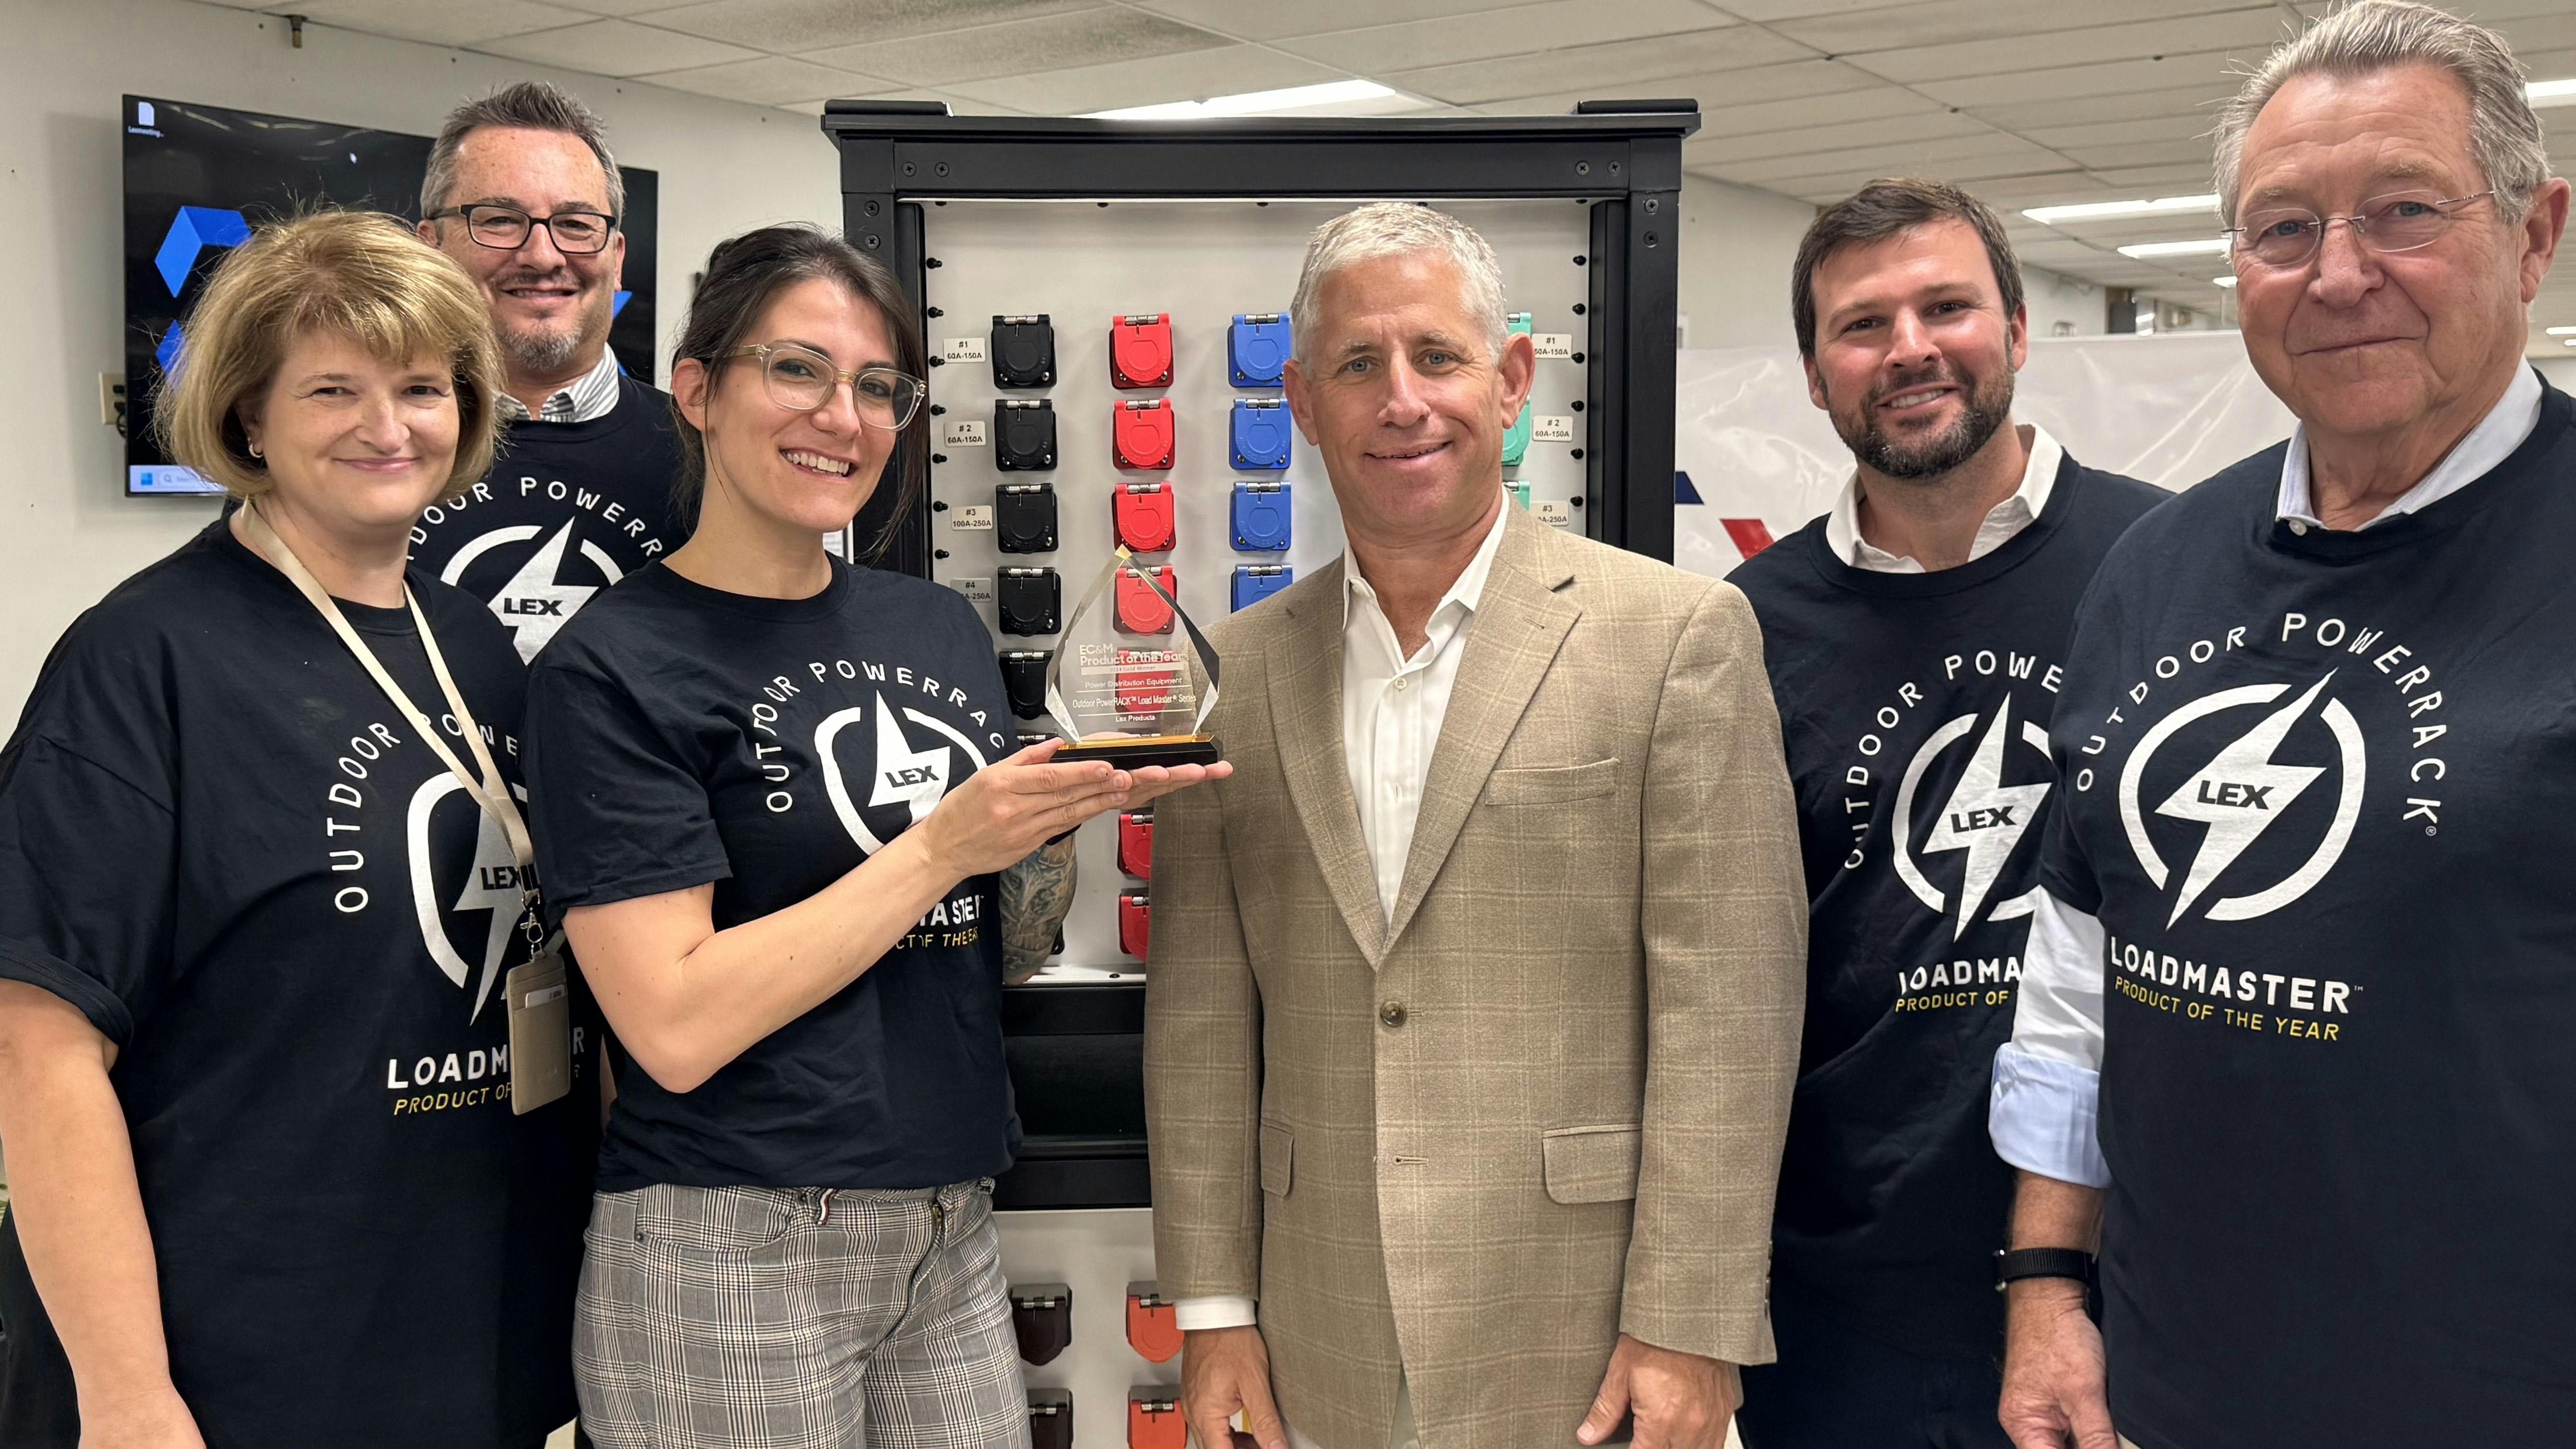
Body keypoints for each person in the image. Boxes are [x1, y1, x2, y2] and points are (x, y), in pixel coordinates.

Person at [520, 224, 1225, 1449]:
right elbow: (672, 1027)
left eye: (877, 386)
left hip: (946, 1213)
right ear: (697, 390)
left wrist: (1061, 823)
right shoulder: (614, 666)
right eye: (795, 370)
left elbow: (989, 947)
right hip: (729, 1236)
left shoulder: (933, 626)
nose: (841, 417)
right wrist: (944, 845)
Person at [1990, 4, 2576, 1447]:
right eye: (2280, 230)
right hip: (2172, 1395)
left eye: (2400, 211)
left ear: (2531, 232)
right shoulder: (2152, 569)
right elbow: (2076, 965)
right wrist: (2043, 1281)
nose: (2337, 275)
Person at [1144, 202, 1807, 1449]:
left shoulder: (1671, 637)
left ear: (1510, 380)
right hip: (1313, 1326)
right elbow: (1199, 1015)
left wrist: (1693, 1320)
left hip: (1590, 1326)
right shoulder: (1233, 672)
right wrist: (1215, 1307)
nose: (1401, 401)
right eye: (1357, 366)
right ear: (1298, 398)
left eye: (1437, 358)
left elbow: (1732, 1010)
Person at [0, 211, 594, 1447]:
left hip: (463, 1323)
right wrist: (127, 1397)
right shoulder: (142, 661)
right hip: (237, 1357)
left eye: (422, 387)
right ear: (247, 417)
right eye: (334, 388)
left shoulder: (480, 646)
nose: (388, 428)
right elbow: (38, 1052)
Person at [1726, 181, 2164, 1449]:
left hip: (2135, 1275)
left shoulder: (2170, 569)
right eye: (1861, 324)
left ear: (2018, 331)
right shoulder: (1740, 629)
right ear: (1813, 375)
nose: (1908, 347)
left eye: (1946, 307)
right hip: (1842, 1297)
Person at [414, 81, 687, 662]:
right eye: (499, 220)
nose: (542, 256)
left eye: (577, 224)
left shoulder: (710, 454)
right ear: (430, 249)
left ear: (616, 259)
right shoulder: (355, 448)